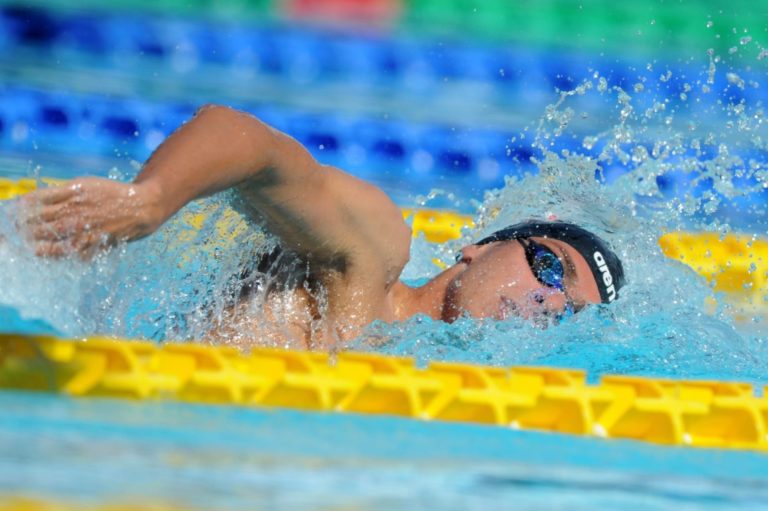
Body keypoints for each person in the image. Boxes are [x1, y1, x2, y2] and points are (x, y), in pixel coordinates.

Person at [18, 105, 625, 349]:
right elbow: (251, 144)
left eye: (569, 313)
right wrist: (148, 199)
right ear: (478, 247)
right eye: (551, 267)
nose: (550, 302)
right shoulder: (371, 264)